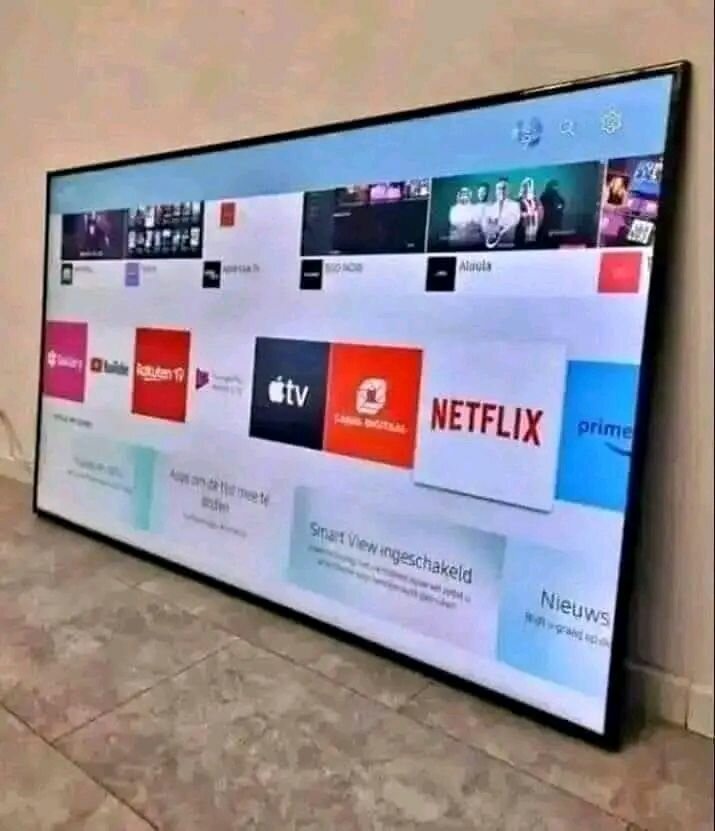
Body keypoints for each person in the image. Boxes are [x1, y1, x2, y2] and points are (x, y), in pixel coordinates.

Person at [484, 178, 520, 248]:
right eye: (499, 188)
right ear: (496, 191)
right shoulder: (491, 208)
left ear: (508, 190)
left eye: (504, 188)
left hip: (508, 243)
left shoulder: (514, 205)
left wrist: (498, 228)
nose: (501, 191)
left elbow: (514, 221)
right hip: (492, 245)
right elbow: (487, 225)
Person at [537, 180, 566, 248]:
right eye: (554, 186)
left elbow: (560, 205)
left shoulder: (556, 197)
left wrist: (558, 207)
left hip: (554, 225)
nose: (556, 188)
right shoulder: (545, 197)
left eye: (556, 187)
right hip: (547, 225)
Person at [515, 177, 541, 247]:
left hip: (534, 229)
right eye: (526, 187)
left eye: (530, 187)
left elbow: (539, 211)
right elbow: (515, 213)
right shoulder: (518, 200)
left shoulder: (535, 200)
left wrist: (535, 212)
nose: (528, 189)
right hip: (522, 230)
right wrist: (524, 214)